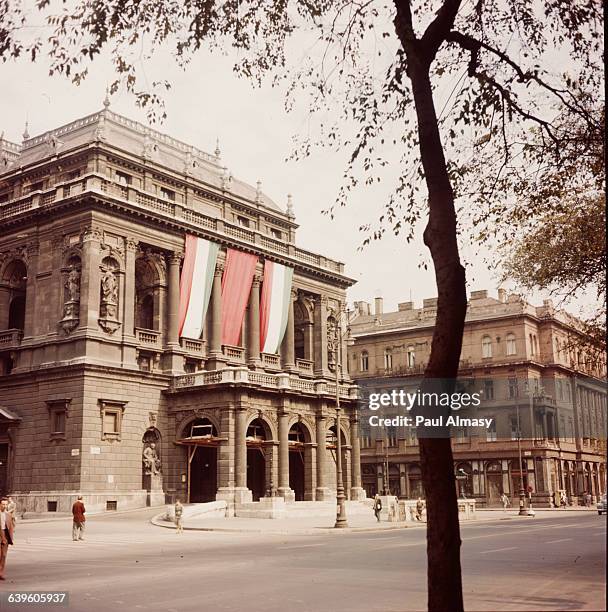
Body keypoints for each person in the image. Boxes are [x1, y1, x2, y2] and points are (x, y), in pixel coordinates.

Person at [0, 498, 15, 581]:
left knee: (4, 556)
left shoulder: (8, 515)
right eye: (3, 504)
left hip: (5, 536)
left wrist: (10, 539)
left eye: (6, 504)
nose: (4, 506)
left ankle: (1, 573)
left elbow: (11, 527)